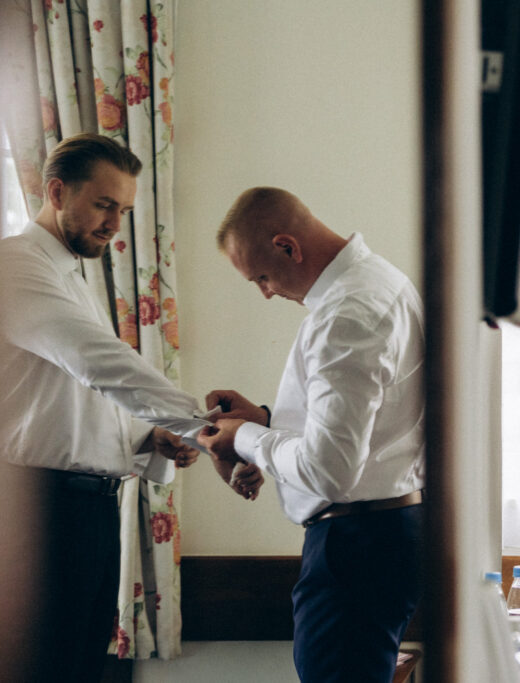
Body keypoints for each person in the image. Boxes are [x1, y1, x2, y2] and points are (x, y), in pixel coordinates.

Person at [0, 133, 248, 681]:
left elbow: (75, 396)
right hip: (38, 511)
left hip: (88, 510)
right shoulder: (14, 266)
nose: (115, 224)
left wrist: (147, 435)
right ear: (57, 192)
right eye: (104, 205)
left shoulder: (69, 276)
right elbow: (98, 363)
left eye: (125, 211)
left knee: (84, 668)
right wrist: (208, 429)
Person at [198, 187, 425, 683]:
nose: (265, 293)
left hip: (354, 547)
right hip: (382, 534)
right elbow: (368, 423)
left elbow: (329, 471)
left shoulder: (346, 313)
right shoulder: (381, 282)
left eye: (261, 277)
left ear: (287, 246)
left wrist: (243, 439)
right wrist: (266, 420)